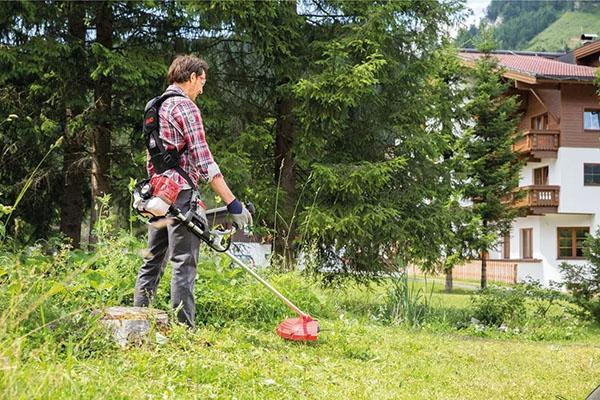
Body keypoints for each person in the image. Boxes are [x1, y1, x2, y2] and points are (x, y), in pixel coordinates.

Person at [133, 55, 252, 328]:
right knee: (184, 264)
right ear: (192, 76)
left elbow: (154, 158)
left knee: (153, 261)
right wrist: (232, 203)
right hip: (182, 196)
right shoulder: (186, 107)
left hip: (159, 196)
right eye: (202, 81)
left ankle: (136, 323)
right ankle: (184, 331)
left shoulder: (156, 106)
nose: (202, 88)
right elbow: (204, 160)